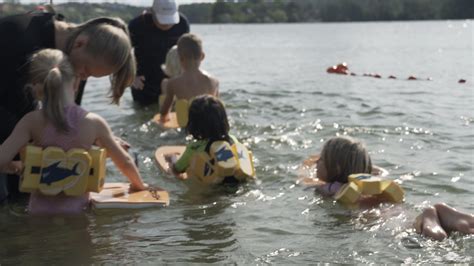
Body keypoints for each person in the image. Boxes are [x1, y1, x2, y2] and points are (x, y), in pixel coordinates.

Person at [0, 11, 136, 201]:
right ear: (80, 43)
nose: (81, 76)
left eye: (89, 76)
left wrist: (95, 136)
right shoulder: (16, 35)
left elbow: (68, 117)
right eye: (85, 71)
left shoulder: (77, 60)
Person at [0, 49, 148, 214]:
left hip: (38, 214)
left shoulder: (30, 121)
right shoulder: (93, 122)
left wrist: (14, 166)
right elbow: (125, 162)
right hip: (78, 213)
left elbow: (1, 158)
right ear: (76, 82)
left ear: (35, 87)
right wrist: (140, 187)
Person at [301, 136, 474, 240]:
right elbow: (379, 171)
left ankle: (428, 219)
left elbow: (306, 180)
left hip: (369, 213)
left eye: (321, 160)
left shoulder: (328, 188)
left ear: (337, 168)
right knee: (405, 217)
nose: (316, 163)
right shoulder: (372, 182)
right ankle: (438, 212)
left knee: (402, 229)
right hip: (388, 205)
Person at [165, 95, 244, 182]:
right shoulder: (234, 140)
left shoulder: (194, 148)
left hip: (209, 193)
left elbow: (177, 170)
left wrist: (172, 158)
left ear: (194, 123)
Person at [129, 0, 190, 106]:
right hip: (143, 83)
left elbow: (187, 51)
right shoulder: (137, 25)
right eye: (163, 19)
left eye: (169, 19)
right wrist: (130, 76)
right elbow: (123, 53)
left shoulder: (182, 24)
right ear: (152, 12)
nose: (166, 24)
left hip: (173, 80)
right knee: (143, 116)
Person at [159, 33, 219, 123]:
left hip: (187, 127)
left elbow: (165, 112)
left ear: (180, 58)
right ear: (202, 56)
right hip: (210, 124)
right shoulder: (214, 81)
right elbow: (218, 109)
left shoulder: (173, 83)